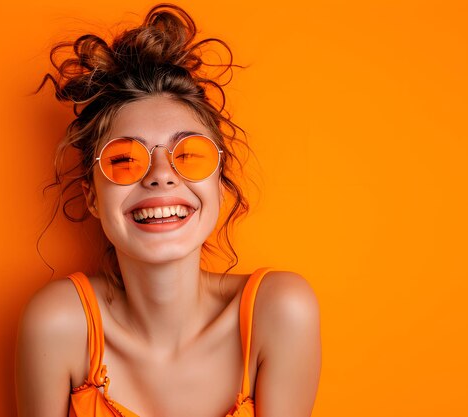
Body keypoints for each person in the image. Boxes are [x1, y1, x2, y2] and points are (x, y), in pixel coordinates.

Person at [16, 4, 321, 417]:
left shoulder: (280, 311)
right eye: (124, 160)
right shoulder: (57, 324)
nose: (161, 175)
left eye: (189, 155)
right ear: (92, 196)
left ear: (218, 182)